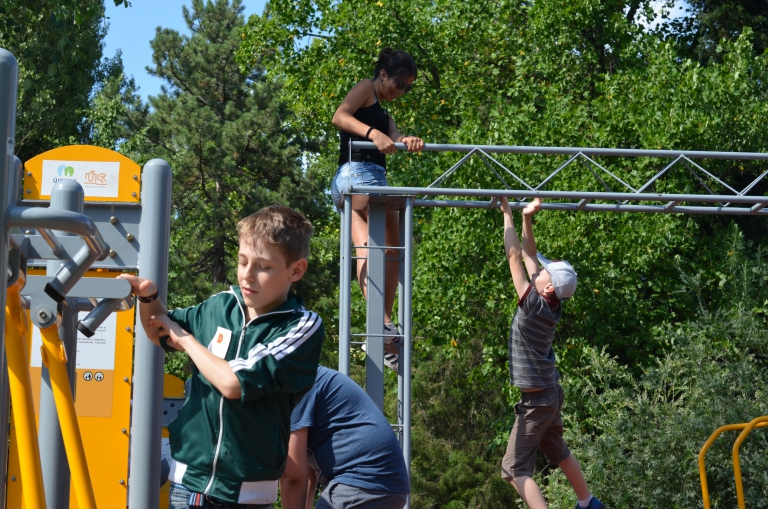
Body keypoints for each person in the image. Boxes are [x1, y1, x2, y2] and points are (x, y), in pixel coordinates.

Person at [119, 205, 325, 509]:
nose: (248, 276)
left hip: (244, 498)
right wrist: (149, 297)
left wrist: (187, 341)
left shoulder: (301, 325)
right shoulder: (222, 305)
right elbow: (160, 330)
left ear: (296, 270)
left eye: (263, 267)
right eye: (242, 262)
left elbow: (234, 383)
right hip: (185, 488)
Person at [496, 197, 605, 509]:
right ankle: (588, 503)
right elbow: (530, 255)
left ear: (545, 288)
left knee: (513, 469)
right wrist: (527, 217)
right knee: (557, 450)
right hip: (549, 393)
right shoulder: (550, 303)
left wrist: (507, 214)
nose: (538, 270)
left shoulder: (532, 305)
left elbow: (516, 255)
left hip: (537, 401)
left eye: (543, 273)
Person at [331, 48, 425, 371]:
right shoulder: (365, 89)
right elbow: (340, 116)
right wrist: (372, 134)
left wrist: (406, 140)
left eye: (408, 87)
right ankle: (382, 327)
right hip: (354, 176)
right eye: (400, 83)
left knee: (393, 251)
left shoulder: (387, 116)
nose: (401, 91)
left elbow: (395, 138)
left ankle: (382, 327)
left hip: (377, 182)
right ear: (383, 74)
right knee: (370, 248)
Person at [279, 366, 409, 509]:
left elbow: (293, 474)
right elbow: (305, 466)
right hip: (379, 483)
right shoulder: (306, 374)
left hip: (362, 481)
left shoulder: (295, 382)